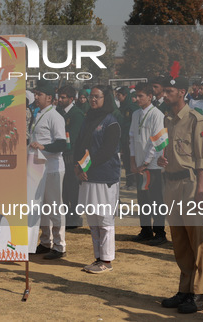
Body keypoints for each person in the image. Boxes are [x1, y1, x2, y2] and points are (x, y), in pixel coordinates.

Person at [158, 76, 203, 314]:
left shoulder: (195, 120)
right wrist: (162, 158)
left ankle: (198, 294)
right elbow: (169, 150)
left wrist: (201, 189)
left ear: (182, 92)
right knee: (179, 239)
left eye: (169, 91)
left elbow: (202, 158)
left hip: (190, 185)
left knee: (197, 240)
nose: (164, 95)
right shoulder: (167, 118)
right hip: (170, 183)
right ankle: (185, 290)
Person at [73, 85, 121, 274]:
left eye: (97, 97)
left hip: (105, 176)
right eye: (90, 96)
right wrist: (78, 167)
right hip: (88, 176)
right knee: (93, 219)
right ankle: (98, 258)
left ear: (105, 98)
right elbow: (79, 145)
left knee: (105, 219)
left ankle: (107, 261)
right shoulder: (88, 119)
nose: (93, 100)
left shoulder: (112, 122)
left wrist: (87, 166)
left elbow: (107, 151)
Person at [28, 80, 67, 260]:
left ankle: (59, 246)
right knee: (42, 207)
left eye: (39, 94)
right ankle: (45, 242)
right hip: (39, 168)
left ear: (49, 98)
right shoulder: (39, 113)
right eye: (35, 94)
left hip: (52, 167)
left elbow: (61, 143)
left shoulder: (55, 116)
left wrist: (43, 147)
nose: (36, 97)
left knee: (54, 207)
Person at [128, 82, 167, 245]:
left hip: (152, 166)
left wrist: (145, 162)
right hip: (138, 165)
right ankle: (145, 230)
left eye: (140, 96)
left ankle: (159, 233)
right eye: (136, 96)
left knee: (156, 199)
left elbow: (156, 141)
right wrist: (132, 161)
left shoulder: (156, 114)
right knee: (143, 199)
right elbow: (131, 137)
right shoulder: (136, 114)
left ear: (150, 97)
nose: (137, 99)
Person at [56, 85, 85, 229]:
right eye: (59, 97)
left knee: (72, 187)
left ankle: (74, 217)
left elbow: (72, 138)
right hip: (60, 154)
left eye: (63, 97)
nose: (59, 100)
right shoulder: (58, 112)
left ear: (71, 99)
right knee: (64, 188)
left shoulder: (76, 114)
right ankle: (66, 215)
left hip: (71, 155)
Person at [115, 86, 140, 189]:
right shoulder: (122, 107)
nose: (118, 97)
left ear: (125, 95)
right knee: (126, 161)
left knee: (132, 160)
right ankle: (129, 182)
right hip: (124, 138)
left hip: (131, 138)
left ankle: (134, 182)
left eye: (119, 95)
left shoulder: (132, 107)